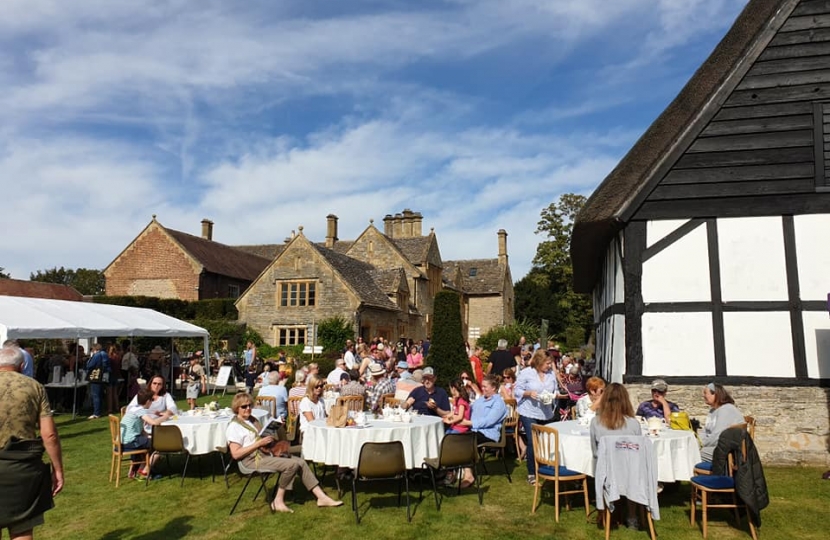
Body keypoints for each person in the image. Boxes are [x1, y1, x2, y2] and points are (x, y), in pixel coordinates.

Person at [225, 392, 342, 512]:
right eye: (244, 407)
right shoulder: (234, 427)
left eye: (250, 405)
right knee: (292, 464)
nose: (248, 408)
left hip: (264, 453)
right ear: (236, 408)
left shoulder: (252, 420)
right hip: (250, 460)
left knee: (300, 462)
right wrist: (258, 444)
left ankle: (321, 497)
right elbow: (236, 454)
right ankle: (278, 501)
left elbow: (260, 437)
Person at [0, 345, 64, 540]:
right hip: (22, 466)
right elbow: (49, 435)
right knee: (22, 529)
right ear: (22, 364)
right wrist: (58, 470)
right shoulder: (34, 387)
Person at [589, 382, 643, 530]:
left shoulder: (595, 422)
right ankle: (632, 516)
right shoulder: (634, 424)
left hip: (606, 473)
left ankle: (606, 512)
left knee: (601, 465)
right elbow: (638, 450)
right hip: (629, 472)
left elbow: (595, 453)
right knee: (632, 470)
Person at [514, 349, 558, 485]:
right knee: (533, 441)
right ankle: (532, 473)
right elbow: (517, 390)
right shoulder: (526, 373)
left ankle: (545, 467)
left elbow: (555, 389)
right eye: (547, 363)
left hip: (546, 411)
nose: (549, 366)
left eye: (550, 363)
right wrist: (528, 393)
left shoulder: (551, 374)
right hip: (529, 411)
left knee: (546, 441)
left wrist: (554, 395)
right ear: (539, 362)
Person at [455, 374, 507, 488]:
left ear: (493, 388)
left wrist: (468, 423)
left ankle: (468, 475)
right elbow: (470, 410)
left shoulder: (499, 403)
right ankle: (452, 471)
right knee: (453, 435)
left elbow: (489, 421)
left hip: (489, 433)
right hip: (474, 429)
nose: (482, 389)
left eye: (485, 387)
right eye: (482, 386)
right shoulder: (481, 400)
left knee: (465, 440)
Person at [121, 389, 171, 479]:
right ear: (148, 401)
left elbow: (140, 429)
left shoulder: (132, 408)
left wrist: (149, 436)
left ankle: (138, 468)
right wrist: (165, 416)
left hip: (124, 440)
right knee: (160, 445)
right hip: (132, 441)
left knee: (150, 442)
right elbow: (154, 423)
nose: (152, 402)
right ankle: (146, 470)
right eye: (152, 400)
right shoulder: (140, 411)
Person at [700, 383, 745, 462]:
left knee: (693, 453)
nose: (703, 396)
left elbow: (718, 436)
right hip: (716, 446)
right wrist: (698, 442)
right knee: (692, 451)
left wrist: (700, 444)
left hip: (729, 450)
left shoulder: (726, 409)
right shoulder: (712, 411)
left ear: (715, 394)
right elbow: (705, 431)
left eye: (705, 393)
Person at [86, 343, 111, 420]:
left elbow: (90, 365)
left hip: (95, 376)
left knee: (95, 395)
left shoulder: (96, 355)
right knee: (99, 394)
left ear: (94, 349)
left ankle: (96, 413)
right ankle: (99, 410)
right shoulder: (104, 354)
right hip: (102, 376)